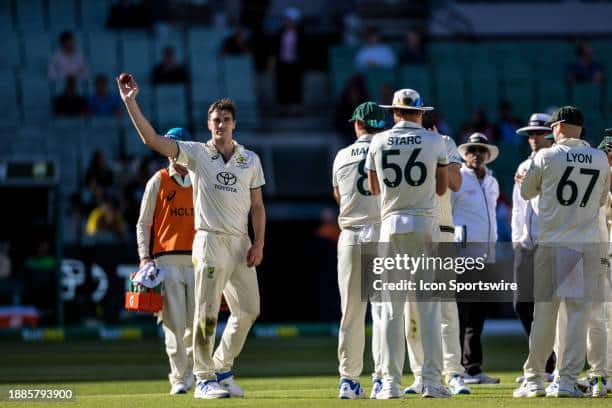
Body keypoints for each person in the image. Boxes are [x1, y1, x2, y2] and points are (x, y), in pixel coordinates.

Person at [117, 74, 265, 399]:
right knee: (207, 311)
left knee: (249, 310)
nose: (221, 125)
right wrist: (131, 102)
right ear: (208, 124)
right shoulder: (197, 153)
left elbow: (257, 206)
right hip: (210, 241)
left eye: (226, 120)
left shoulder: (249, 159)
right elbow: (153, 140)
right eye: (215, 120)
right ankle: (203, 379)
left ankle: (222, 367)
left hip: (240, 242)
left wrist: (259, 242)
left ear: (234, 124)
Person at [514, 106, 610, 398]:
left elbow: (526, 192)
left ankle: (534, 379)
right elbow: (603, 196)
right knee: (578, 315)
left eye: (553, 127)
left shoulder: (546, 155)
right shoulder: (600, 158)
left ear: (560, 127)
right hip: (588, 244)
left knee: (544, 315)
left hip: (554, 243)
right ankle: (566, 380)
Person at [366, 89, 449, 398]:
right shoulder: (434, 141)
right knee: (428, 309)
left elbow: (374, 188)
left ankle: (389, 383)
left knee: (390, 309)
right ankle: (431, 381)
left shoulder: (378, 141)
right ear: (420, 113)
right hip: (425, 224)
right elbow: (441, 189)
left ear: (394, 113)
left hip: (391, 224)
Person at [403, 127, 470, 395]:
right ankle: (420, 374)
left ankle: (453, 372)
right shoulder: (395, 145)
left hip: (441, 230)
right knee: (413, 310)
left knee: (444, 306)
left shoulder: (443, 142)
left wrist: (438, 152)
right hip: (410, 231)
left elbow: (455, 183)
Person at [136, 127, 196, 395]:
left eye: (176, 145)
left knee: (199, 323)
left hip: (199, 260)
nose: (172, 152)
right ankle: (179, 379)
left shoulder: (200, 178)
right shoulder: (158, 180)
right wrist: (144, 257)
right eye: (168, 146)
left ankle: (198, 375)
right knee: (173, 324)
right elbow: (143, 223)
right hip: (167, 261)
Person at [332, 102, 386, 399]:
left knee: (351, 312)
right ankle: (381, 378)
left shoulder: (341, 156)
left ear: (357, 125)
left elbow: (338, 194)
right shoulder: (387, 150)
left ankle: (348, 381)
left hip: (351, 234)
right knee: (382, 311)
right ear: (381, 125)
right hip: (382, 234)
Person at [451, 133, 500, 384]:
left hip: (485, 256)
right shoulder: (458, 178)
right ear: (465, 154)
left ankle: (473, 369)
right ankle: (456, 368)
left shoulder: (492, 182)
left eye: (481, 150)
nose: (476, 155)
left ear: (487, 155)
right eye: (471, 150)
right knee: (461, 313)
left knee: (478, 315)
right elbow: (446, 212)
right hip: (463, 255)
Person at [512, 113, 555, 383]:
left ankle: (549, 365)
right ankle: (542, 360)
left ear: (550, 135)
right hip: (524, 245)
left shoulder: (555, 164)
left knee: (548, 306)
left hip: (546, 243)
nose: (533, 138)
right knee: (522, 305)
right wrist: (517, 237)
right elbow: (519, 209)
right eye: (530, 134)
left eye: (538, 132)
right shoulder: (523, 165)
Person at [274, 7, 304, 115]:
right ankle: (283, 108)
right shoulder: (280, 33)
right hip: (283, 62)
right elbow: (275, 48)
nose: (288, 23)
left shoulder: (300, 34)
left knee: (295, 85)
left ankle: (296, 108)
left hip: (295, 63)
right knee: (282, 85)